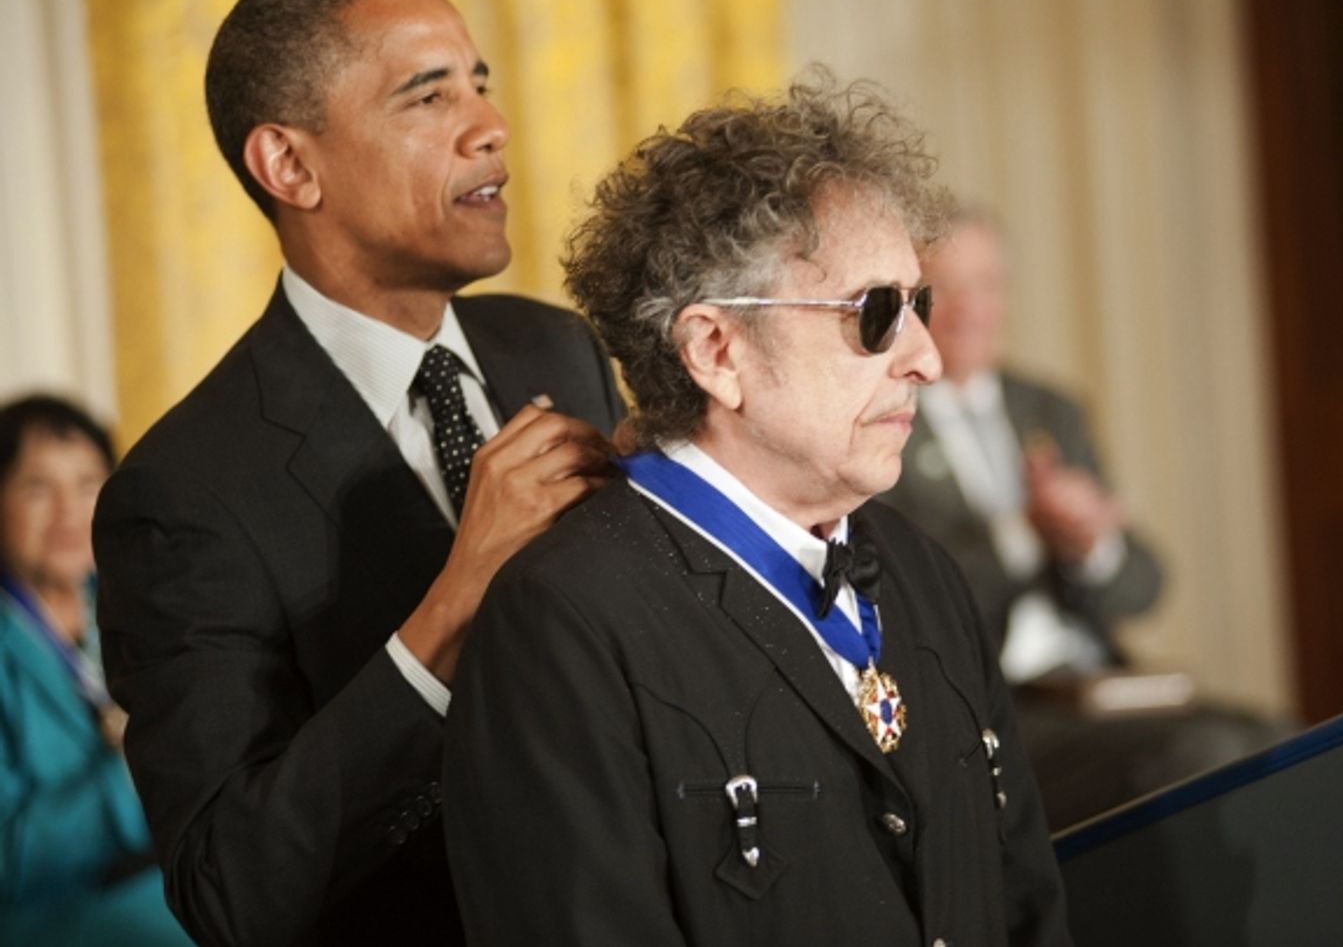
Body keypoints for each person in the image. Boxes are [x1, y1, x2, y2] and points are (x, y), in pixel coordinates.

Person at [443, 77, 1072, 947]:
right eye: (877, 314)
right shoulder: (566, 623)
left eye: (916, 305)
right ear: (716, 350)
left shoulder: (925, 568)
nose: (927, 357)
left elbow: (1028, 906)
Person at [92, 0, 623, 946]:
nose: (488, 125)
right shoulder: (181, 494)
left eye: (480, 82)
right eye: (428, 96)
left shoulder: (559, 348)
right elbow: (227, 891)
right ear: (290, 166)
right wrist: (451, 612)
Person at [881, 210, 1281, 829]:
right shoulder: (889, 417)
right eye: (949, 289)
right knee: (1201, 755)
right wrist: (1022, 531)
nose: (971, 309)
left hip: (1095, 682)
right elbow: (910, 595)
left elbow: (1144, 587)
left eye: (988, 285)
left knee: (1284, 740)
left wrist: (1093, 544)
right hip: (991, 701)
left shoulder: (1050, 410)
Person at [0, 395, 191, 946]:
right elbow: (9, 862)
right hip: (51, 915)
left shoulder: (131, 603)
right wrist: (130, 775)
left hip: (157, 874)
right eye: (37, 487)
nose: (67, 512)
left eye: (87, 485)